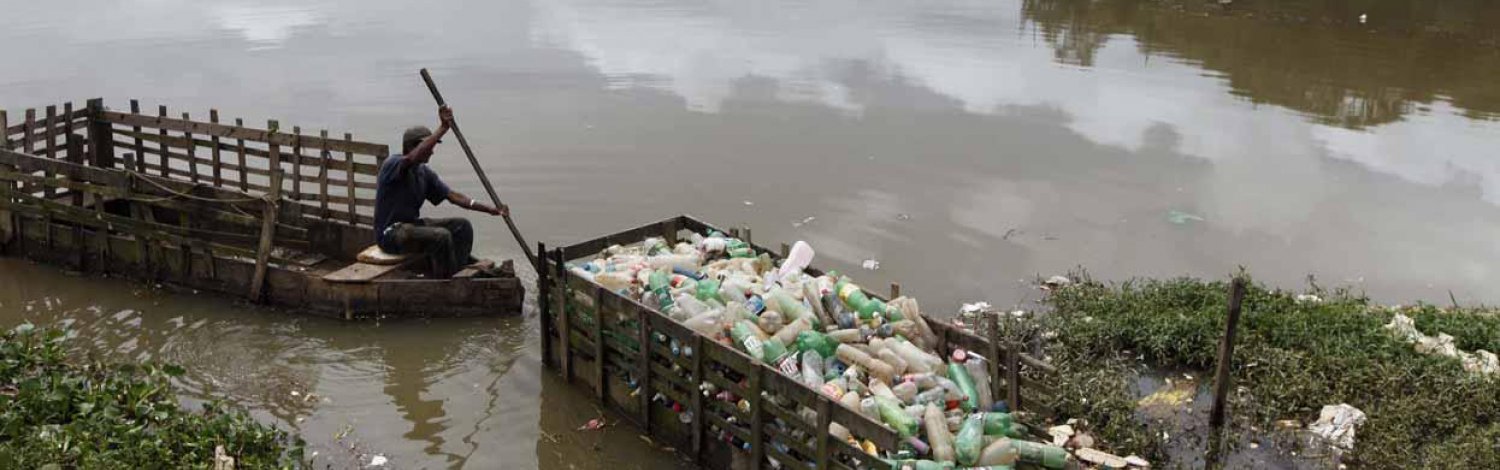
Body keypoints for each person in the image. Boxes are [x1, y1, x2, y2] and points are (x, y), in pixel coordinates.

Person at [374, 105, 507, 277]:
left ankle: (457, 273)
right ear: (414, 147)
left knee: (462, 226)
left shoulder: (424, 173)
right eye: (429, 146)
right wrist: (443, 128)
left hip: (411, 227)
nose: (432, 151)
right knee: (441, 236)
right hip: (390, 234)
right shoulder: (393, 164)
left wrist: (491, 209)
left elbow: (453, 196)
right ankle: (445, 283)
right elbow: (412, 158)